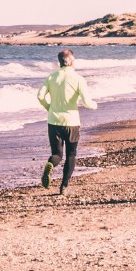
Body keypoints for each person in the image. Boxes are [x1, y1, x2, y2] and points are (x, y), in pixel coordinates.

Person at [37, 48, 97, 195]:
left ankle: (51, 163)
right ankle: (64, 187)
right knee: (71, 154)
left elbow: (40, 96)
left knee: (57, 154)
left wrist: (50, 108)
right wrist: (95, 105)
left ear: (59, 63)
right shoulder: (78, 79)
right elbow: (87, 103)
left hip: (53, 121)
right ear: (71, 61)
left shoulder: (51, 77)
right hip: (71, 122)